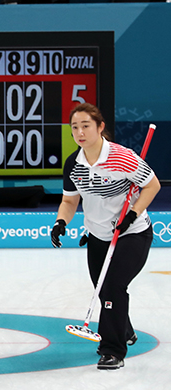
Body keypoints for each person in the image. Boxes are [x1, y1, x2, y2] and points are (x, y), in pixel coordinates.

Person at [50, 103, 160, 370]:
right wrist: (60, 222)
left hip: (132, 234)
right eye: (74, 127)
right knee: (104, 292)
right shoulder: (73, 164)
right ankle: (126, 331)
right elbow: (69, 201)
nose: (80, 132)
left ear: (100, 127)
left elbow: (152, 185)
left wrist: (132, 214)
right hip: (98, 236)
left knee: (111, 287)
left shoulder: (122, 157)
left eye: (86, 125)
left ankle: (112, 350)